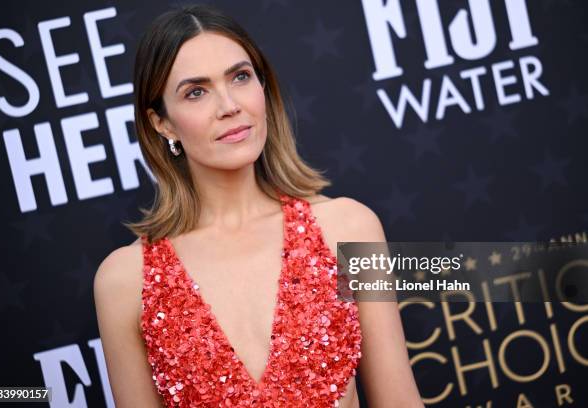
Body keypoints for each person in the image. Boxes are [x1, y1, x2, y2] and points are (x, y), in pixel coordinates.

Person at [94, 4, 424, 407]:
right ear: (161, 123)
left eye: (240, 77)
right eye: (196, 92)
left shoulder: (349, 229)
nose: (229, 105)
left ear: (262, 86)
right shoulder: (125, 282)